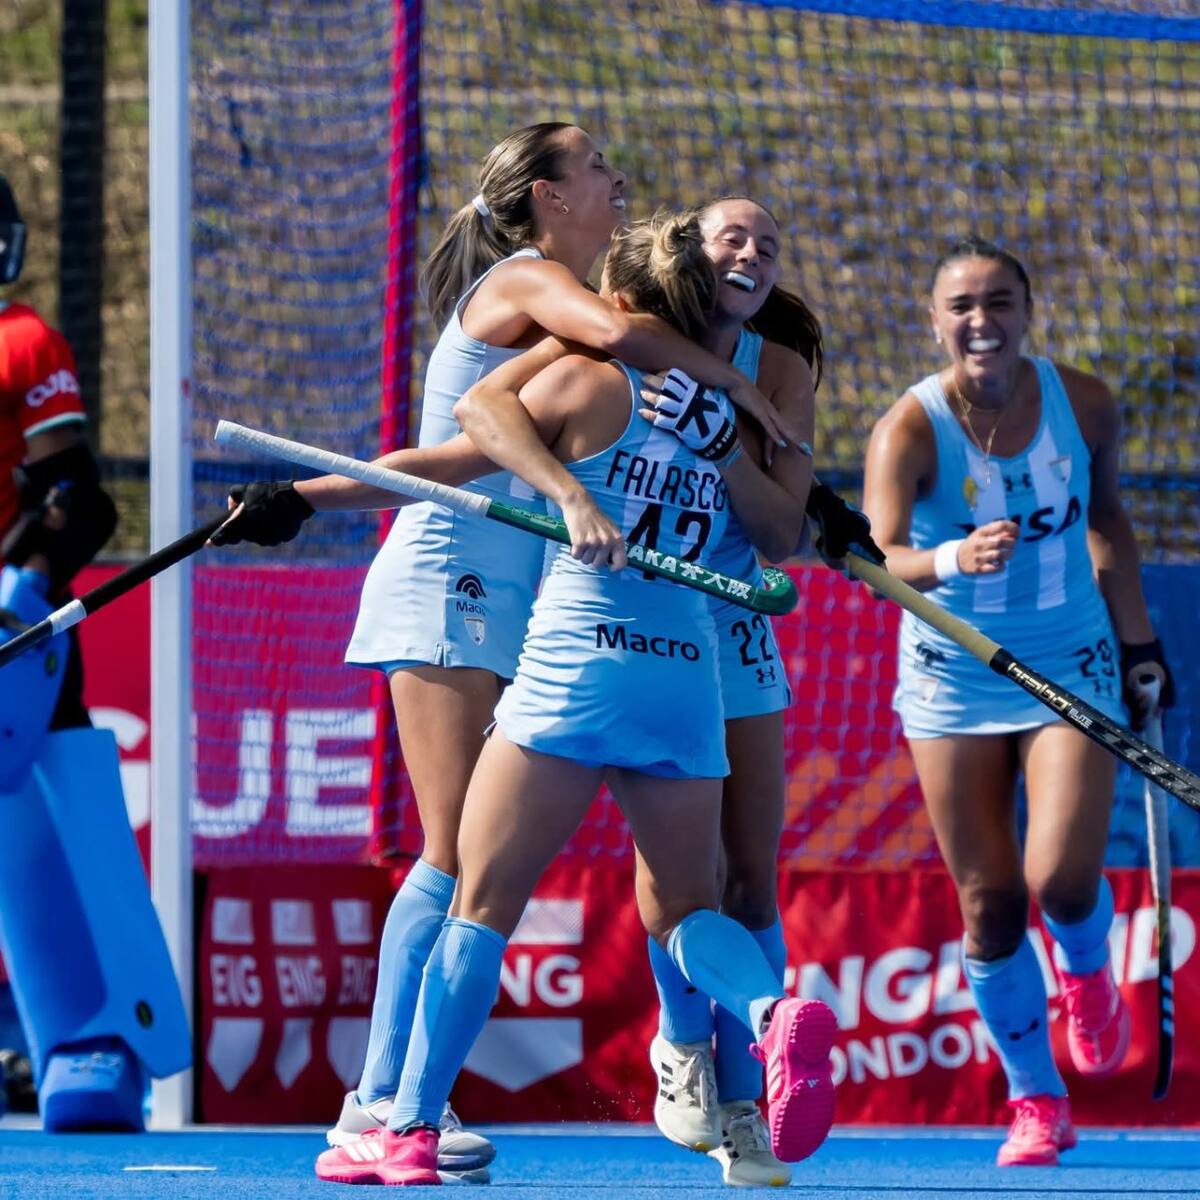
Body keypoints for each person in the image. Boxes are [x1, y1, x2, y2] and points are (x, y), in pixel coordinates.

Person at [212, 123, 806, 1182]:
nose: (619, 182)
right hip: (486, 585)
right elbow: (604, 387)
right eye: (598, 170)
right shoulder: (550, 293)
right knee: (674, 898)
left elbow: (477, 426)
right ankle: (760, 1007)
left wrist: (574, 486)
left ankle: (399, 1115)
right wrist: (738, 397)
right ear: (547, 195)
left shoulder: (589, 360)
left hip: (562, 633)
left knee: (473, 883)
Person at [455, 196, 882, 1187]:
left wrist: (727, 442)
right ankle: (695, 1067)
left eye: (770, 244)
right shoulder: (624, 332)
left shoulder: (781, 365)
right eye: (734, 236)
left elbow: (779, 535)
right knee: (673, 889)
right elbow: (492, 416)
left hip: (728, 625)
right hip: (619, 625)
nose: (755, 252)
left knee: (743, 878)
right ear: (688, 255)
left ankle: (749, 1108)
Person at [860, 235, 1172, 1167]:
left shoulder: (1083, 403)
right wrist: (953, 557)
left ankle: (1087, 977)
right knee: (991, 906)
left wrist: (1140, 644)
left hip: (1070, 664)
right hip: (953, 678)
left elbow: (1108, 520)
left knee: (1061, 880)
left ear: (1026, 313)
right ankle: (1037, 1099)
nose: (981, 322)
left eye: (999, 302)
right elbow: (874, 563)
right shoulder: (908, 430)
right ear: (935, 321)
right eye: (961, 306)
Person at [0, 170, 190, 1130]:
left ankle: (94, 1036)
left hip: (8, 638)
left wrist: (24, 592)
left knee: (51, 807)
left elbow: (82, 497)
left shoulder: (21, 341)